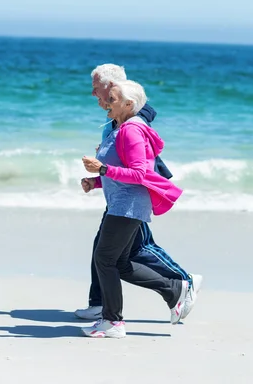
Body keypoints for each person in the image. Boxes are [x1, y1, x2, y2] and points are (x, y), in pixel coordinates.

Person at [75, 63, 202, 322]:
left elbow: (138, 169)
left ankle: (181, 283)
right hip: (121, 197)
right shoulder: (117, 120)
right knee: (113, 256)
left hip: (132, 199)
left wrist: (103, 168)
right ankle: (104, 306)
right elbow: (118, 166)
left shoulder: (132, 122)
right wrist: (98, 179)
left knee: (134, 250)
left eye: (97, 89)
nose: (94, 95)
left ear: (115, 91)